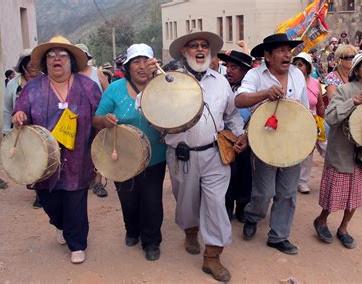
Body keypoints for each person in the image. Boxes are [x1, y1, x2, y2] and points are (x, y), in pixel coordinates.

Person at [145, 30, 247, 282]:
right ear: (184, 52)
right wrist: (152, 85)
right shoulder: (170, 80)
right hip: (181, 156)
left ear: (210, 52)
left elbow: (231, 114)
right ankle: (190, 231)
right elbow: (143, 105)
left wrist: (239, 133)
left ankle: (212, 256)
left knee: (215, 204)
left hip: (214, 154)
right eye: (193, 46)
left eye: (204, 46)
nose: (200, 50)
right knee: (186, 201)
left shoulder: (221, 81)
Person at [11, 35, 101, 264]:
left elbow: (99, 119)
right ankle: (61, 224)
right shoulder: (32, 89)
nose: (56, 60)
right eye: (51, 56)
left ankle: (78, 243)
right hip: (43, 160)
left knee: (76, 201)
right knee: (50, 202)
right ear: (45, 63)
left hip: (79, 157)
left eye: (62, 55)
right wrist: (19, 116)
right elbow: (20, 113)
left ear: (71, 60)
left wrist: (101, 154)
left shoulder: (88, 87)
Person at [235, 33, 309, 255]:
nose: (287, 54)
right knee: (264, 191)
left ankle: (278, 236)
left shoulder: (297, 76)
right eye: (281, 50)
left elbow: (305, 111)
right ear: (267, 55)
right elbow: (239, 100)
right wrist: (264, 94)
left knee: (287, 193)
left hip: (292, 142)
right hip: (263, 142)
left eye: (289, 50)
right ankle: (252, 216)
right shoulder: (255, 75)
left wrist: (308, 140)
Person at [93, 43, 167, 261]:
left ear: (154, 64)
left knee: (152, 200)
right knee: (128, 199)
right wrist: (104, 120)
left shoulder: (162, 86)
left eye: (146, 61)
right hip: (122, 157)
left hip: (155, 156)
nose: (142, 66)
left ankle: (152, 240)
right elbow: (96, 119)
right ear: (128, 66)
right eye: (136, 61)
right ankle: (132, 229)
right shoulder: (115, 89)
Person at [313, 51, 362, 249]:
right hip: (342, 150)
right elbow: (330, 117)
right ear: (357, 70)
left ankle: (343, 228)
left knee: (355, 195)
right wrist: (353, 102)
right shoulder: (344, 90)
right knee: (334, 193)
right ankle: (321, 220)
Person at [3, 49, 42, 209]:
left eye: (35, 63)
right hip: (22, 129)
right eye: (29, 62)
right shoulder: (14, 84)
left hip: (41, 128)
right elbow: (7, 108)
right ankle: (36, 185)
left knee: (41, 157)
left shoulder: (45, 81)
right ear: (23, 65)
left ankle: (40, 193)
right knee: (28, 159)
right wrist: (6, 130)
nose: (33, 66)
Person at [217, 50, 253, 223]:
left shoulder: (252, 91)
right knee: (227, 176)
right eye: (227, 66)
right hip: (224, 140)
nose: (229, 71)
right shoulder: (220, 87)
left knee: (246, 175)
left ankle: (243, 207)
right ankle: (226, 207)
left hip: (248, 140)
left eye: (234, 67)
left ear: (246, 71)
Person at [75, 43, 110, 197]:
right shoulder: (70, 74)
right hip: (76, 121)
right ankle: (85, 178)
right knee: (80, 151)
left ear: (88, 57)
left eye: (83, 55)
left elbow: (108, 93)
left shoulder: (97, 73)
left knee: (99, 150)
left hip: (97, 118)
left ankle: (99, 183)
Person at [292, 52, 325, 194]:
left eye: (301, 64)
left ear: (308, 67)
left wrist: (321, 120)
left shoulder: (315, 82)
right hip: (293, 121)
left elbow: (320, 104)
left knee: (308, 152)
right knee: (294, 151)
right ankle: (290, 181)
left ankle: (303, 181)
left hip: (312, 120)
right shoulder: (290, 80)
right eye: (296, 64)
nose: (298, 67)